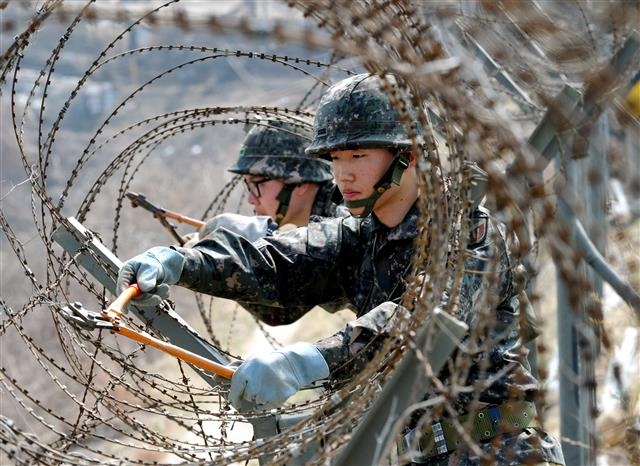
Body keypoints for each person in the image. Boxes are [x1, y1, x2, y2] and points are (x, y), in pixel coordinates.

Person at [117, 73, 564, 465]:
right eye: (334, 159)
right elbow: (279, 262)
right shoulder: (362, 235)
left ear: (408, 155)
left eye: (358, 157)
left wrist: (309, 360)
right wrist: (183, 263)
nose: (342, 175)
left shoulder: (465, 229)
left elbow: (421, 318)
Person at [184, 118, 344, 246]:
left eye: (258, 184)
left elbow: (307, 253)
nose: (251, 199)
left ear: (300, 183)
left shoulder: (347, 221)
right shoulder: (313, 217)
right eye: (248, 185)